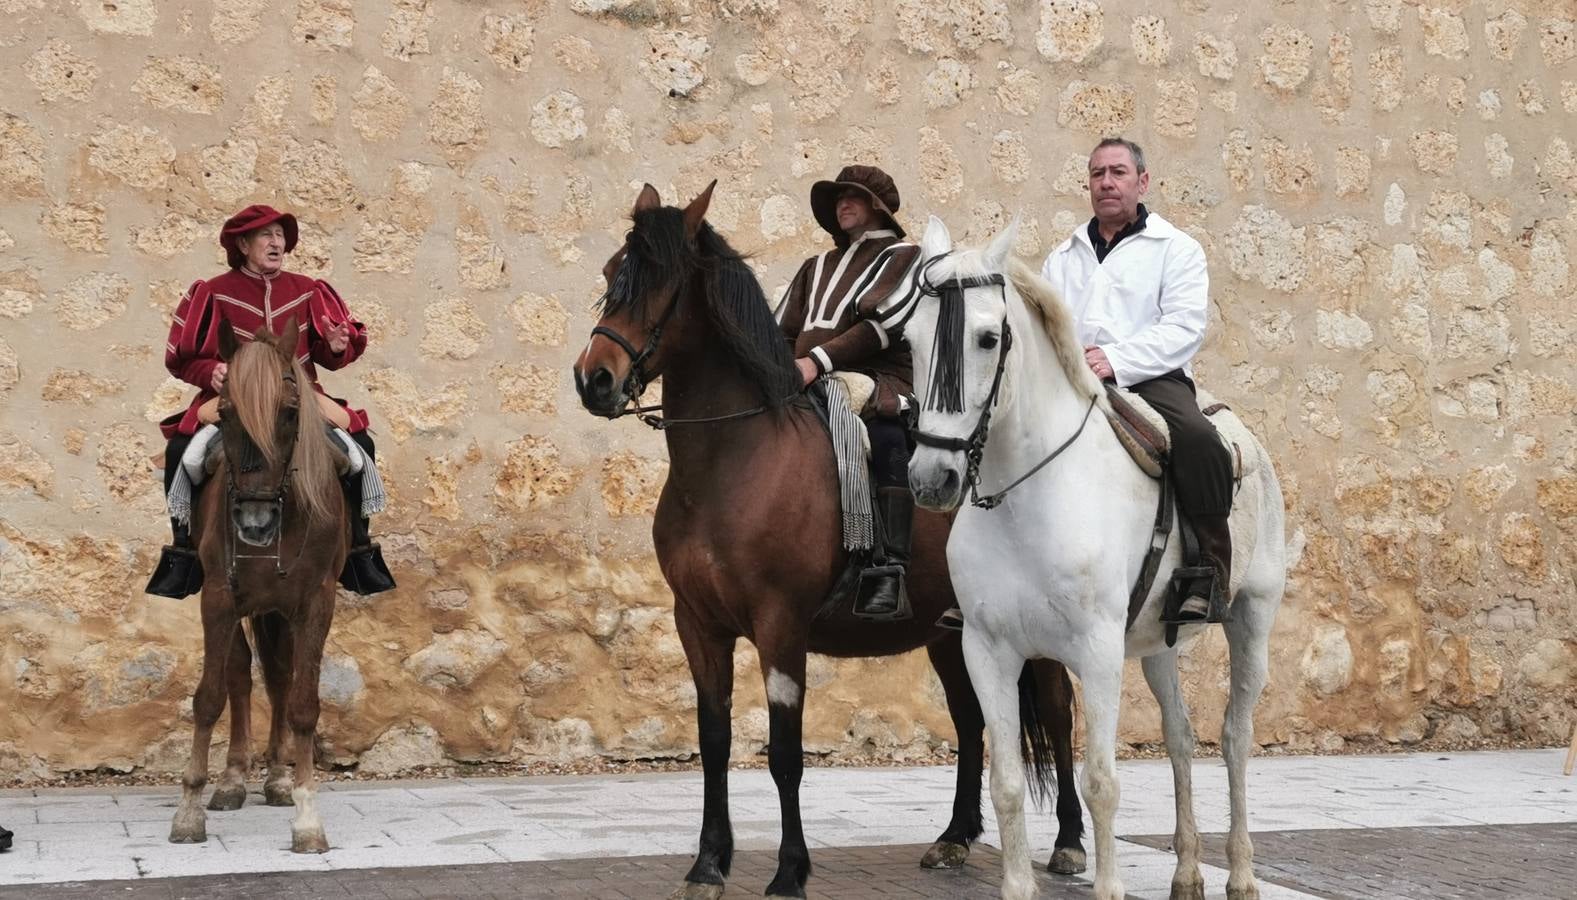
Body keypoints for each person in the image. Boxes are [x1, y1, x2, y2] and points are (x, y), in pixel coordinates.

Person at [144, 204, 396, 598]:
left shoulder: (309, 290)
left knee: (361, 447)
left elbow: (334, 357)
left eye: (280, 234)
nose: (276, 241)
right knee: (182, 451)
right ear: (243, 244)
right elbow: (183, 358)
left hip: (298, 396)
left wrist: (335, 346)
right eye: (266, 235)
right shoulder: (212, 292)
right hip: (234, 398)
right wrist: (210, 371)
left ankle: (359, 551)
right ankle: (184, 554)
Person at [1040, 137, 1232, 622]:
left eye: (1118, 172)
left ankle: (1208, 571)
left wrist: (1115, 360)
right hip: (1072, 377)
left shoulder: (1177, 248)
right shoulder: (1063, 256)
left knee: (1198, 439)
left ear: (1142, 182)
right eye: (1097, 173)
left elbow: (1184, 327)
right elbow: (1044, 323)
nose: (1106, 182)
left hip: (1151, 378)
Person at [776, 165, 922, 621]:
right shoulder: (814, 266)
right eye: (837, 197)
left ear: (876, 205)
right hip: (806, 375)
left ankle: (889, 566)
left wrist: (814, 362)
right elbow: (782, 331)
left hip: (877, 376)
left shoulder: (904, 255)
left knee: (885, 430)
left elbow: (880, 328)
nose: (842, 204)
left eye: (852, 196)